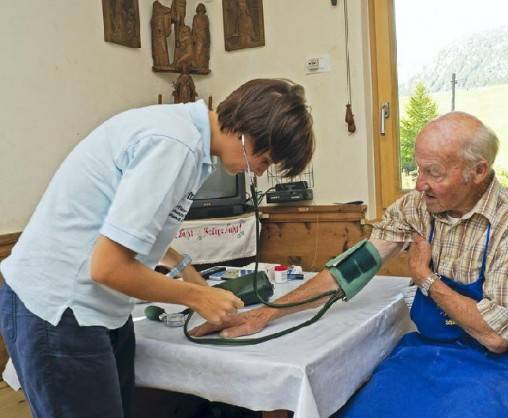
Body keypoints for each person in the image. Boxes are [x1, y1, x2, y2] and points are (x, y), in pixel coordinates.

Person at [191, 112, 508, 417]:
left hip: (501, 369)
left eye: (434, 173)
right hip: (431, 355)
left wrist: (426, 278)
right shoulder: (418, 207)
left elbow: (497, 336)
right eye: (417, 170)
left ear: (478, 171)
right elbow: (352, 268)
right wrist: (266, 314)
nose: (420, 185)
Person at [0, 78, 314, 418]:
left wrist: (188, 273)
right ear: (244, 131)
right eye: (263, 160)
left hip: (98, 309)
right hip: (59, 307)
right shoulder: (174, 146)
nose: (257, 172)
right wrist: (197, 298)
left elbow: (135, 227)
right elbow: (107, 267)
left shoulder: (191, 143)